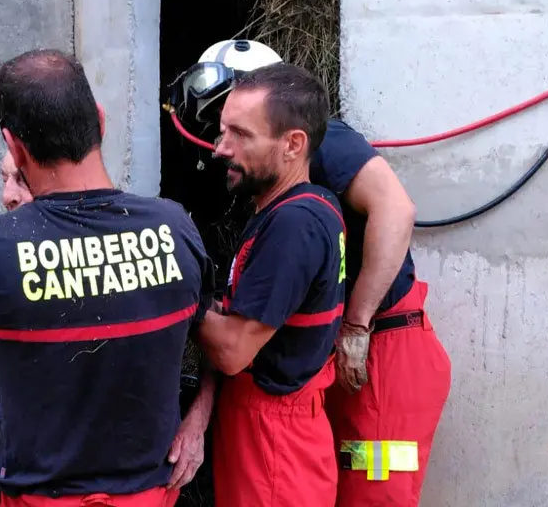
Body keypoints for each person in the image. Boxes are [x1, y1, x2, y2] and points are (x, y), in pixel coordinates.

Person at [174, 40, 452, 507]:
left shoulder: (323, 148)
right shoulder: (278, 196)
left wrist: (357, 325)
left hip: (383, 343)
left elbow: (396, 208)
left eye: (236, 127)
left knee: (372, 492)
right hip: (320, 356)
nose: (221, 146)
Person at [0, 48, 216, 507]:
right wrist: (198, 422)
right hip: (151, 496)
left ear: (15, 146)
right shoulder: (174, 226)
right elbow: (219, 347)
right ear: (101, 122)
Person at [0, 151, 214, 499]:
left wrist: (197, 420)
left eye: (20, 179)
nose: (8, 195)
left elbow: (215, 346)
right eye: (3, 179)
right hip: (39, 491)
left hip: (142, 489)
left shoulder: (157, 236)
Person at [194, 62, 345, 506]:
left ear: (293, 144)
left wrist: (171, 287)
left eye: (240, 134)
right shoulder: (305, 207)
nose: (221, 148)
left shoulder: (294, 224)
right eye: (223, 131)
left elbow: (232, 350)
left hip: (274, 441)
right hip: (274, 428)